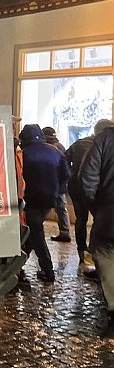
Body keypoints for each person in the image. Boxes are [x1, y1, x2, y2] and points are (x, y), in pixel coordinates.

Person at [19, 124, 70, 282]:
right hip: (49, 199)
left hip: (31, 198)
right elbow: (66, 174)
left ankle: (48, 271)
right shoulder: (55, 151)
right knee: (33, 231)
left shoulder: (24, 154)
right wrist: (57, 191)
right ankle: (17, 266)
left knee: (36, 234)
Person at [67, 119, 114, 276]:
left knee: (82, 220)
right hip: (100, 200)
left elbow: (86, 176)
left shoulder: (95, 141)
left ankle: (84, 254)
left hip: (86, 194)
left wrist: (96, 205)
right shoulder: (103, 141)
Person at [79, 124, 114, 323]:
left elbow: (87, 178)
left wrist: (98, 208)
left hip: (110, 215)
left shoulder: (105, 138)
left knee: (107, 256)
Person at [42, 126, 72, 242]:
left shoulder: (46, 148)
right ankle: (65, 232)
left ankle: (35, 232)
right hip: (60, 184)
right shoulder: (60, 147)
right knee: (61, 208)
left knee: (43, 208)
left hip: (49, 183)